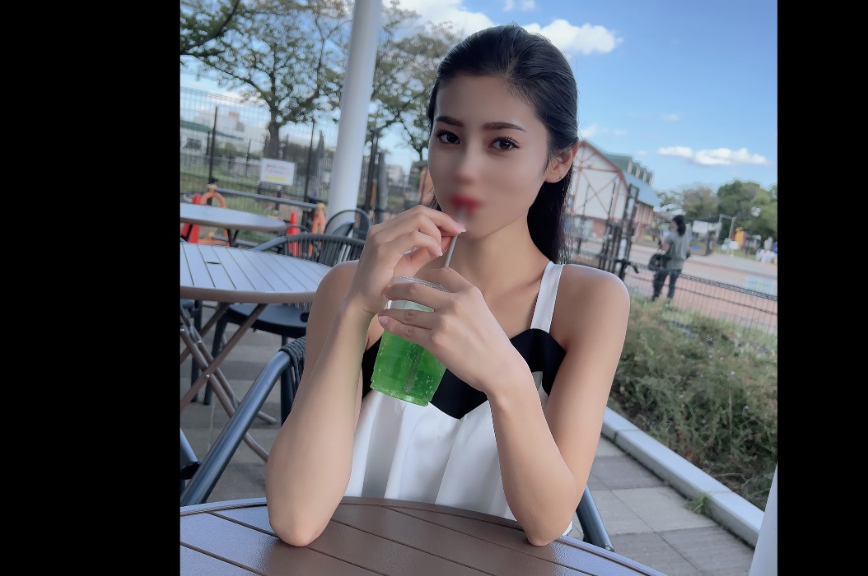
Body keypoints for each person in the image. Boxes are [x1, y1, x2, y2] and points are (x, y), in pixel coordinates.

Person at [265, 24, 630, 548]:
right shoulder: (355, 284)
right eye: (449, 137)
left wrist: (505, 375)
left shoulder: (585, 303)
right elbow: (295, 519)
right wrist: (358, 309)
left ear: (559, 160)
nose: (465, 169)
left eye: (502, 143)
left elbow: (547, 521)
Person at [651, 214, 690, 301]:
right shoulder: (686, 235)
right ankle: (668, 302)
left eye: (672, 222)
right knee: (672, 285)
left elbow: (665, 249)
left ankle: (655, 297)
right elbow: (687, 249)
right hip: (679, 264)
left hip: (668, 263)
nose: (670, 223)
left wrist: (661, 242)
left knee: (659, 282)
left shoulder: (671, 235)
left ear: (675, 223)